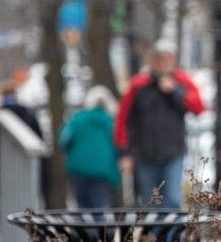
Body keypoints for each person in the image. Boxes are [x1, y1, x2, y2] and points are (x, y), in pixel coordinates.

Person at [114, 40, 204, 210]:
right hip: (144, 155)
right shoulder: (139, 85)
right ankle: (153, 229)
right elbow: (123, 120)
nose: (163, 63)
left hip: (173, 153)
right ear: (152, 61)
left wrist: (175, 92)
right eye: (159, 59)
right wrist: (125, 153)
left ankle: (173, 229)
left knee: (172, 199)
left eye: (167, 58)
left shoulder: (181, 82)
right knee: (150, 203)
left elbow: (198, 107)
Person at [59, 85, 119, 209]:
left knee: (81, 206)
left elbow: (64, 140)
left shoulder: (77, 119)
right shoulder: (111, 123)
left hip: (79, 168)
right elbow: (118, 146)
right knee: (99, 208)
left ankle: (82, 223)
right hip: (103, 170)